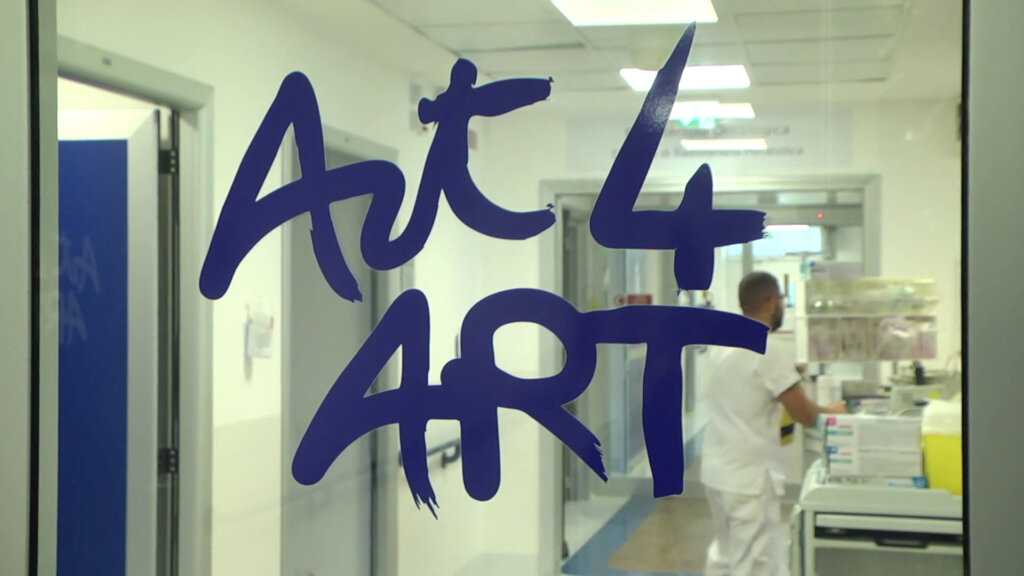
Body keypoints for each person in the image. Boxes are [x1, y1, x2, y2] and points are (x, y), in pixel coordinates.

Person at [701, 272, 847, 576]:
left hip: (717, 472)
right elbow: (805, 415)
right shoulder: (767, 349)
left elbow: (745, 385)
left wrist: (788, 373)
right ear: (770, 302)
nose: (781, 304)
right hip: (749, 479)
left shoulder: (722, 342)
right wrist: (832, 411)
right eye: (780, 298)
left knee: (725, 556)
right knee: (755, 563)